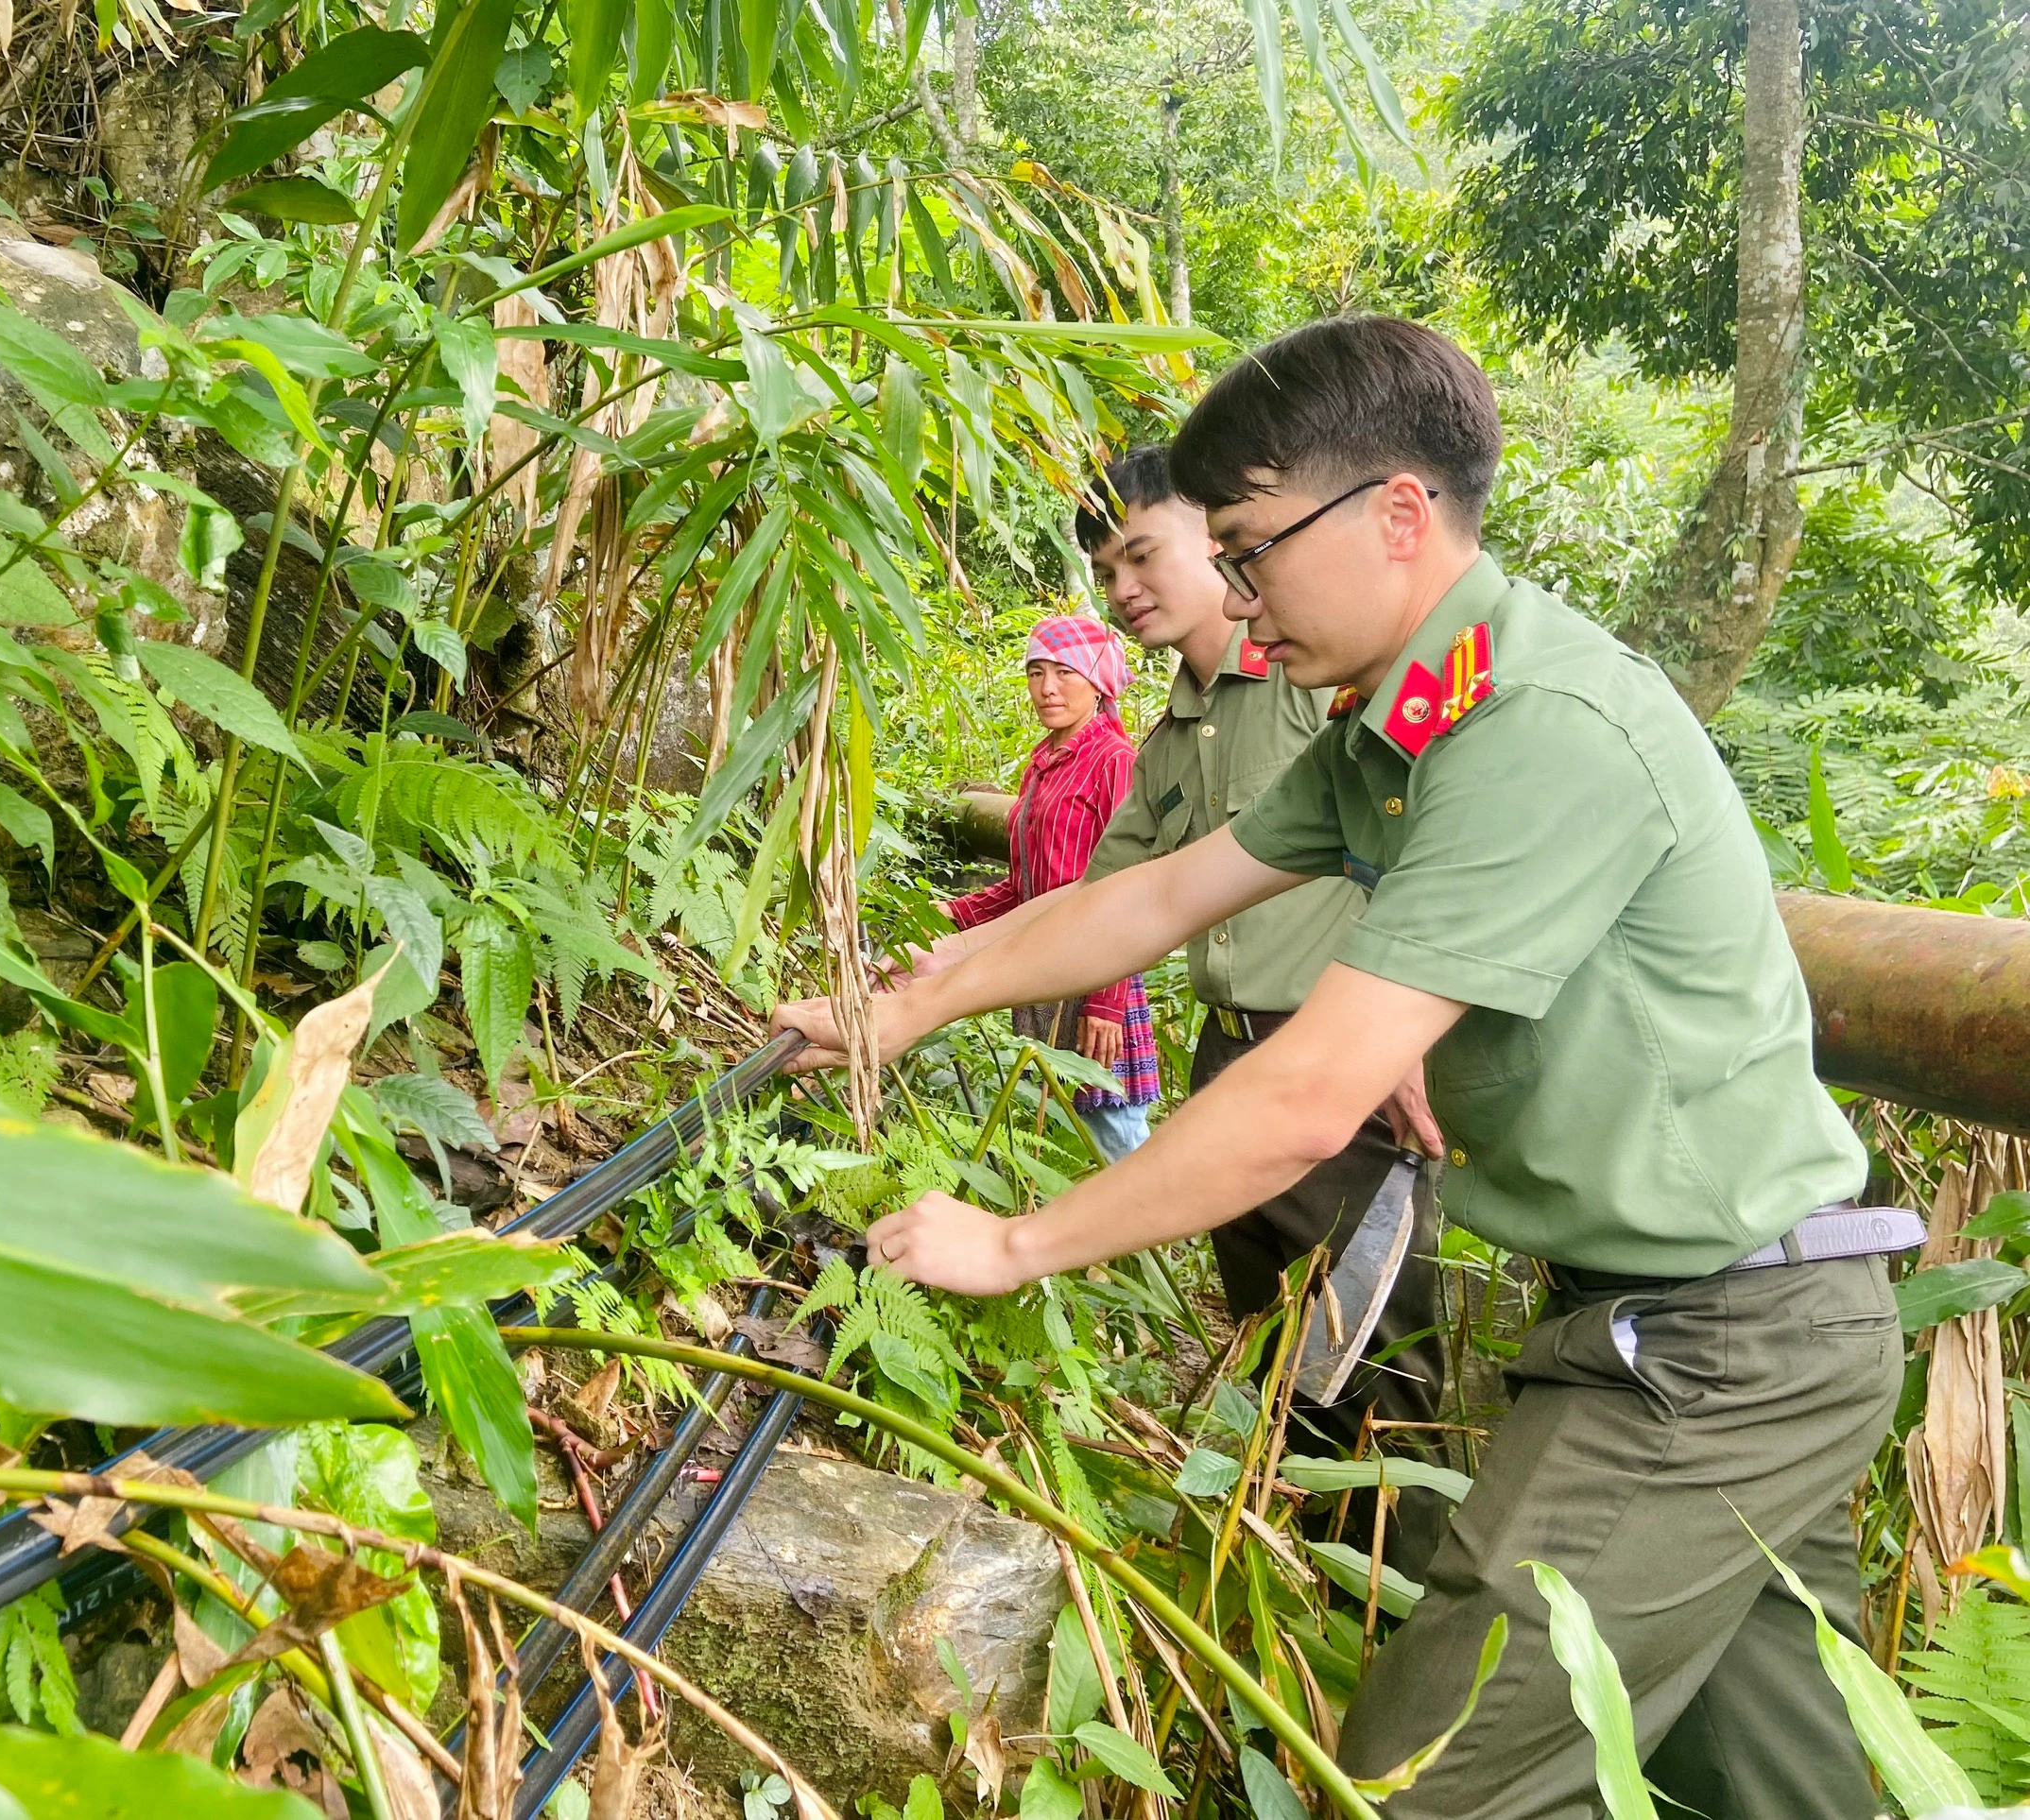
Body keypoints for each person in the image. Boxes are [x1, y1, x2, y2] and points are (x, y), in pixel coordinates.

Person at [779, 317, 1908, 1819]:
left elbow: (1314, 1090)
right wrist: (905, 1006)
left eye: (1250, 551)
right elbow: (1161, 893)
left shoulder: (1536, 725)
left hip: (1720, 1348)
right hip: (1689, 1318)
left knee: (1413, 1785)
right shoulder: (1411, 715)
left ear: (1394, 511)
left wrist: (1020, 1243)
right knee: (1788, 1781)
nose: (1236, 600)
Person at [913, 447, 1450, 1572]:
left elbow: (1429, 840)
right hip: (1232, 1060)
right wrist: (934, 980)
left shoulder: (1324, 695)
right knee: (1277, 1354)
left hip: (1345, 1077)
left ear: (1222, 538)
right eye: (1106, 570)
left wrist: (1416, 1023)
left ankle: (1391, 1614)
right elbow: (1106, 901)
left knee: (1376, 1377)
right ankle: (1289, 1593)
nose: (1123, 587)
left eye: (1141, 552)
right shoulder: (1173, 737)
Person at [938, 614, 1161, 1160]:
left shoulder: (1115, 762)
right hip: (1048, 963)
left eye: (1064, 672)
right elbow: (1026, 886)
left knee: (1117, 1129)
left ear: (1099, 681)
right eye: (1036, 673)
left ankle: (1162, 1241)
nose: (1047, 688)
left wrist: (1106, 1003)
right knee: (1071, 1120)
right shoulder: (1043, 765)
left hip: (1099, 973)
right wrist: (948, 915)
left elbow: (1128, 887)